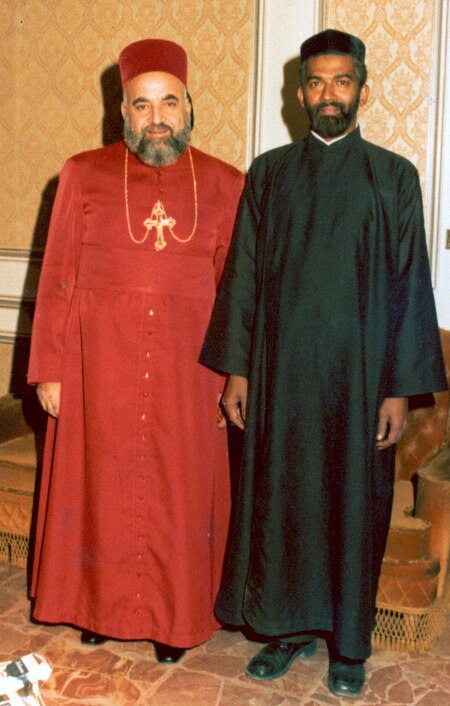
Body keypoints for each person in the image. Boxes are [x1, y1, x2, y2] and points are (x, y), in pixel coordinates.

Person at [200, 29, 447, 698]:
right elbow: (244, 278)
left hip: (361, 381)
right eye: (317, 82)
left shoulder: (393, 177)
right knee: (281, 500)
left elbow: (408, 287)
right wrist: (238, 371)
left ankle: (348, 648)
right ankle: (282, 630)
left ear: (362, 89)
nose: (329, 93)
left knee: (353, 507)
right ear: (299, 91)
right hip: (281, 379)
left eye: (343, 81)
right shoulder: (271, 174)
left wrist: (398, 389)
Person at [28, 38, 244, 663]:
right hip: (99, 368)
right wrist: (49, 370)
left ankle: (175, 622)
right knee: (100, 488)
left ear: (189, 106)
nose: (157, 118)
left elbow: (240, 293)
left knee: (179, 496)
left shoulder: (227, 184)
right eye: (141, 105)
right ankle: (94, 609)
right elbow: (58, 276)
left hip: (191, 373)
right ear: (120, 113)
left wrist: (233, 379)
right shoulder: (82, 174)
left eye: (168, 103)